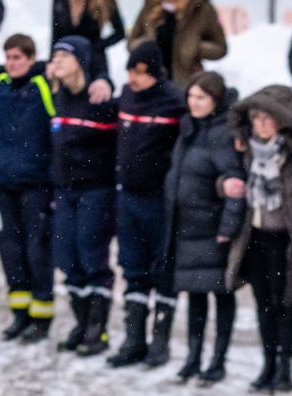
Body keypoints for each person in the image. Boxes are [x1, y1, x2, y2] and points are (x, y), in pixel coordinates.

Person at [108, 41, 185, 368]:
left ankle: (161, 340)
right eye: (130, 70)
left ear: (155, 72)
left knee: (162, 270)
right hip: (128, 197)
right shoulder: (126, 96)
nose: (134, 78)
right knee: (132, 268)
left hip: (159, 201)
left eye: (141, 72)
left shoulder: (173, 101)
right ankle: (134, 337)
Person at [165, 71, 244, 385]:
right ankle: (193, 357)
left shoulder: (224, 132)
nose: (193, 102)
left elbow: (236, 183)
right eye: (191, 96)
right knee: (195, 296)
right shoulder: (188, 127)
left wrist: (227, 229)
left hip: (213, 229)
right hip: (187, 227)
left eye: (201, 97)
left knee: (221, 295)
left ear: (215, 99)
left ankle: (218, 361)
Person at [228, 84, 292, 393]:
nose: (259, 123)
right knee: (263, 305)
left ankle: (285, 366)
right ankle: (268, 362)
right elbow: (235, 114)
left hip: (284, 240)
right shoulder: (247, 150)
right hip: (255, 236)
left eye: (267, 117)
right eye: (256, 117)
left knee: (283, 302)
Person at [49, 36, 119, 357]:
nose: (57, 61)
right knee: (67, 257)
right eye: (55, 56)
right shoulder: (57, 96)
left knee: (92, 256)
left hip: (96, 189)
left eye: (64, 56)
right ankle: (81, 323)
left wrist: (105, 78)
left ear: (81, 60)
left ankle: (97, 329)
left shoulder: (100, 98)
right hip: (64, 190)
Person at [0, 34, 56, 343]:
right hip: (4, 183)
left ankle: (41, 317)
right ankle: (19, 314)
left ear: (30, 59)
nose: (13, 63)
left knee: (37, 251)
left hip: (36, 184)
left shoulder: (42, 85)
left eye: (18, 58)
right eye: (9, 57)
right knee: (10, 251)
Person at [128, 0, 227, 88]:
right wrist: (148, 43)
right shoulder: (151, 4)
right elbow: (131, 44)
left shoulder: (201, 7)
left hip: (186, 81)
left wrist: (195, 47)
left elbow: (220, 48)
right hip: (152, 81)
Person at [51, 0, 124, 87]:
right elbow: (55, 36)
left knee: (97, 94)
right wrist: (52, 61)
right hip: (66, 63)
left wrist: (97, 46)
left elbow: (120, 33)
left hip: (93, 62)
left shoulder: (105, 2)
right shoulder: (60, 2)